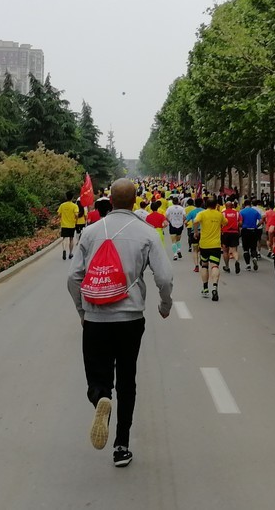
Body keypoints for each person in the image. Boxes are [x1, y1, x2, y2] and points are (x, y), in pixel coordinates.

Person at [67, 178, 173, 467]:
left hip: (96, 318)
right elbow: (164, 277)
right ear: (135, 199)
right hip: (130, 318)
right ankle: (121, 445)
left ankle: (101, 397)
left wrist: (82, 311)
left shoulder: (90, 232)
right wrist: (165, 304)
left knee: (98, 375)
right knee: (127, 379)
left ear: (110, 200)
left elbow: (73, 277)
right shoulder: (147, 233)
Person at [194, 198, 228, 301]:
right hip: (216, 245)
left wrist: (196, 232)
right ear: (216, 205)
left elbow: (195, 221)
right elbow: (225, 223)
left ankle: (205, 288)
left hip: (204, 244)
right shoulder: (219, 214)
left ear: (205, 204)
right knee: (215, 266)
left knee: (204, 265)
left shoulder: (202, 213)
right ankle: (214, 287)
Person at [239, 199, 264, 270]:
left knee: (246, 249)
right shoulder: (255, 211)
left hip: (245, 231)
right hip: (253, 230)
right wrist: (257, 225)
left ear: (244, 205)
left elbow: (240, 222)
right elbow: (261, 220)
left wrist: (241, 226)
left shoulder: (242, 212)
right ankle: (255, 258)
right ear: (250, 204)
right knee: (253, 247)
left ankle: (248, 265)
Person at [221, 200, 242, 274]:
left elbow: (220, 223)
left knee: (225, 251)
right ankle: (236, 261)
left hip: (225, 233)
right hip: (234, 232)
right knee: (234, 250)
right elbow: (240, 223)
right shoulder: (237, 213)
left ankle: (227, 266)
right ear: (232, 206)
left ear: (225, 206)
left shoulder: (223, 213)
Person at [58, 195, 79, 260]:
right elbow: (76, 215)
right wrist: (76, 219)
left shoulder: (62, 205)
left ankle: (64, 250)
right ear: (72, 198)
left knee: (64, 238)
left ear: (66, 197)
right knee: (71, 239)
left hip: (64, 224)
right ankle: (70, 253)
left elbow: (59, 214)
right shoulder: (74, 206)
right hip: (71, 224)